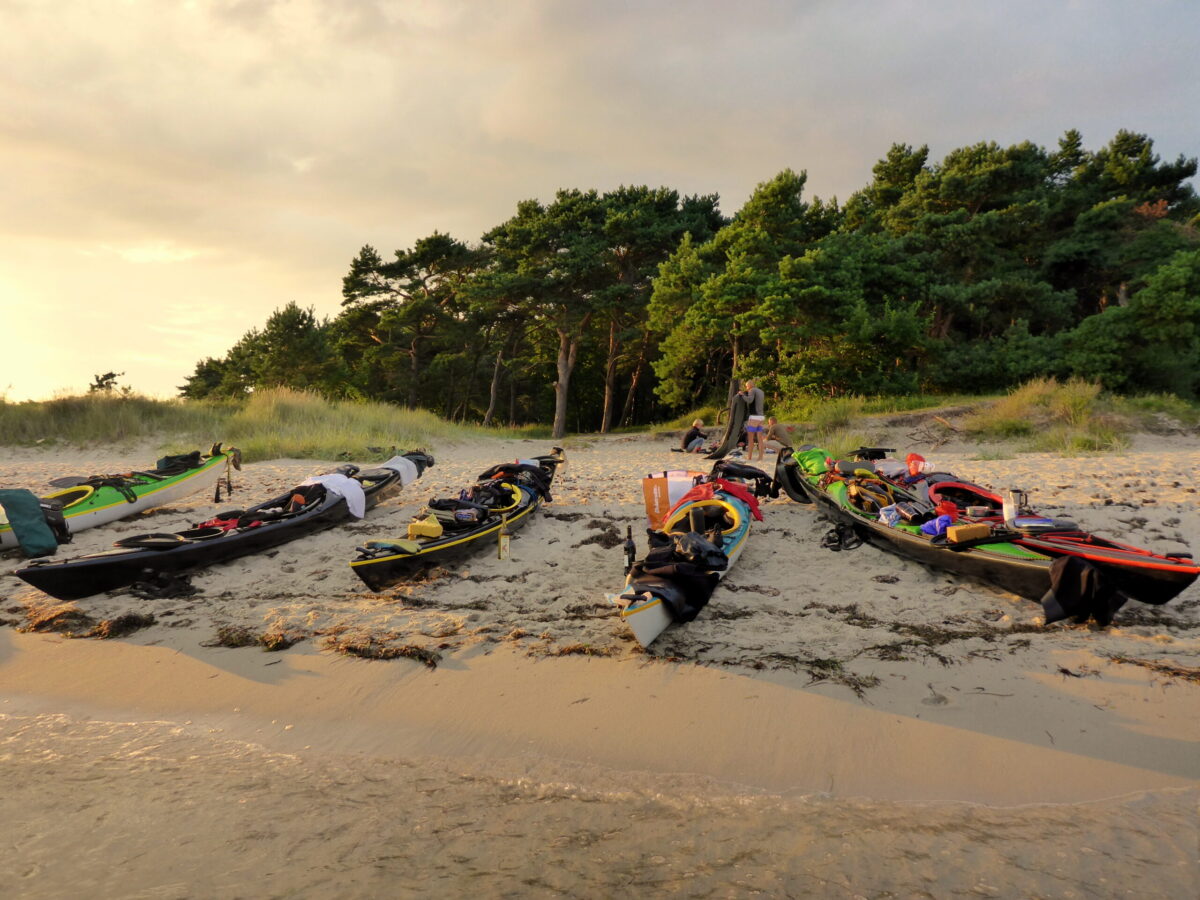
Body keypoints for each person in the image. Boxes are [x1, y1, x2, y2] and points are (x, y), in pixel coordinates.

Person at [737, 379, 766, 461]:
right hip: (761, 417)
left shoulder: (752, 390)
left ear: (749, 385)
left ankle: (749, 457)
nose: (746, 388)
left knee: (750, 439)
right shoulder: (761, 391)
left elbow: (750, 400)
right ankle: (760, 457)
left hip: (754, 417)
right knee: (760, 439)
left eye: (746, 386)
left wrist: (742, 395)